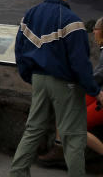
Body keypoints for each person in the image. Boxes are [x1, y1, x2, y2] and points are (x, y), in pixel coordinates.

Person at [9, 0, 103, 176]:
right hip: (66, 85)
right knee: (74, 136)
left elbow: (20, 51)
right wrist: (94, 90)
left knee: (33, 130)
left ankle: (17, 173)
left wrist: (30, 77)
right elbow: (80, 63)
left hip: (39, 80)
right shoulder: (74, 23)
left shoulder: (29, 16)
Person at [37, 15, 103, 167]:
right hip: (97, 91)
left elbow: (98, 76)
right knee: (66, 103)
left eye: (96, 29)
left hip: (99, 95)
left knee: (74, 126)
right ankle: (59, 148)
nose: (93, 32)